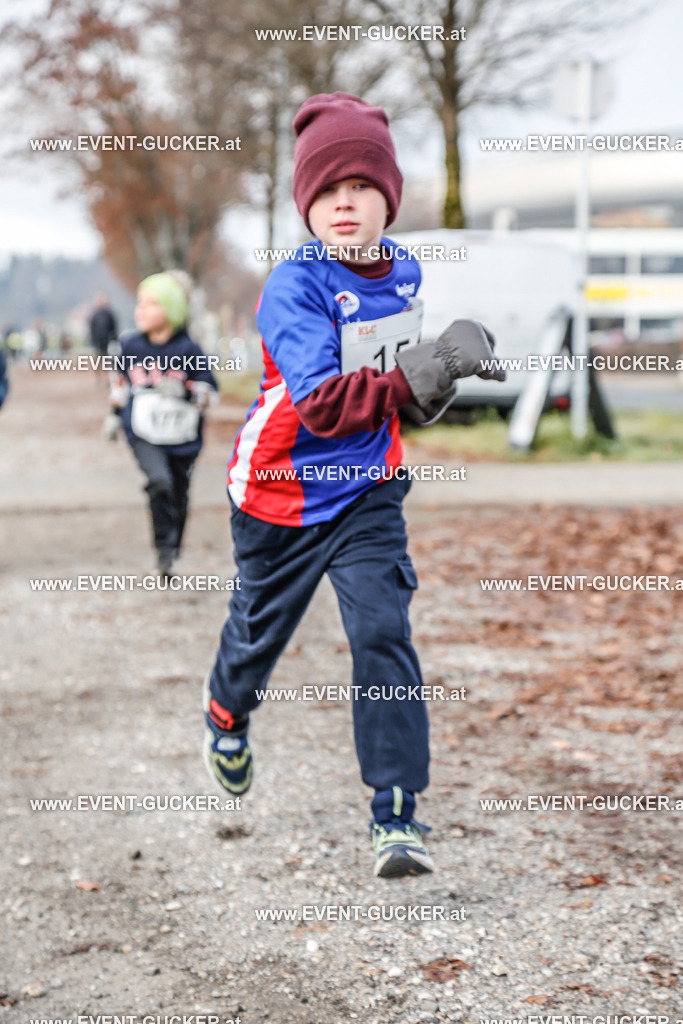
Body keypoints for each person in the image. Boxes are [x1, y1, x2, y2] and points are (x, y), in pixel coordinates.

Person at [203, 93, 504, 878]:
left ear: (387, 201)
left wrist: (442, 376)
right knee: (255, 641)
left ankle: (396, 816)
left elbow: (394, 389)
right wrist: (425, 368)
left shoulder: (402, 272)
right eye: (328, 188)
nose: (345, 201)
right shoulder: (292, 287)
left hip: (368, 490)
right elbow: (325, 405)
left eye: (363, 186)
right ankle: (227, 717)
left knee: (381, 634)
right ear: (305, 203)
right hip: (280, 493)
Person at [106, 271, 217, 577]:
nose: (140, 309)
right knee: (159, 482)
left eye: (151, 304)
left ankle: (174, 545)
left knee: (178, 491)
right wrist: (113, 414)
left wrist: (187, 391)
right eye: (139, 302)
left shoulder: (189, 350)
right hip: (143, 432)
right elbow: (119, 385)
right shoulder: (129, 346)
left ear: (172, 309)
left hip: (182, 437)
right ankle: (163, 550)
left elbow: (211, 393)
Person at [89, 292, 118, 385]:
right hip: (97, 343)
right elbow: (92, 329)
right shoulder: (94, 315)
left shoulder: (109, 314)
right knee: (96, 362)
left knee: (107, 362)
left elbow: (114, 328)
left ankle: (106, 379)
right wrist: (93, 342)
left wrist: (113, 340)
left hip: (107, 342)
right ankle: (98, 379)